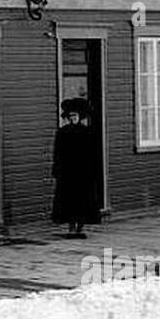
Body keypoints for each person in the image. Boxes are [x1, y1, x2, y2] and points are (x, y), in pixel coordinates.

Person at [52, 97, 97, 238]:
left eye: (75, 116)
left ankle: (81, 227)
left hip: (83, 172)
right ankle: (71, 227)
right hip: (67, 172)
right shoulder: (62, 132)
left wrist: (92, 169)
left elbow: (92, 153)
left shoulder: (87, 133)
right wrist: (57, 168)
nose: (73, 119)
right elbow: (57, 152)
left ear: (80, 117)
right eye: (70, 116)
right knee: (68, 200)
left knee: (83, 199)